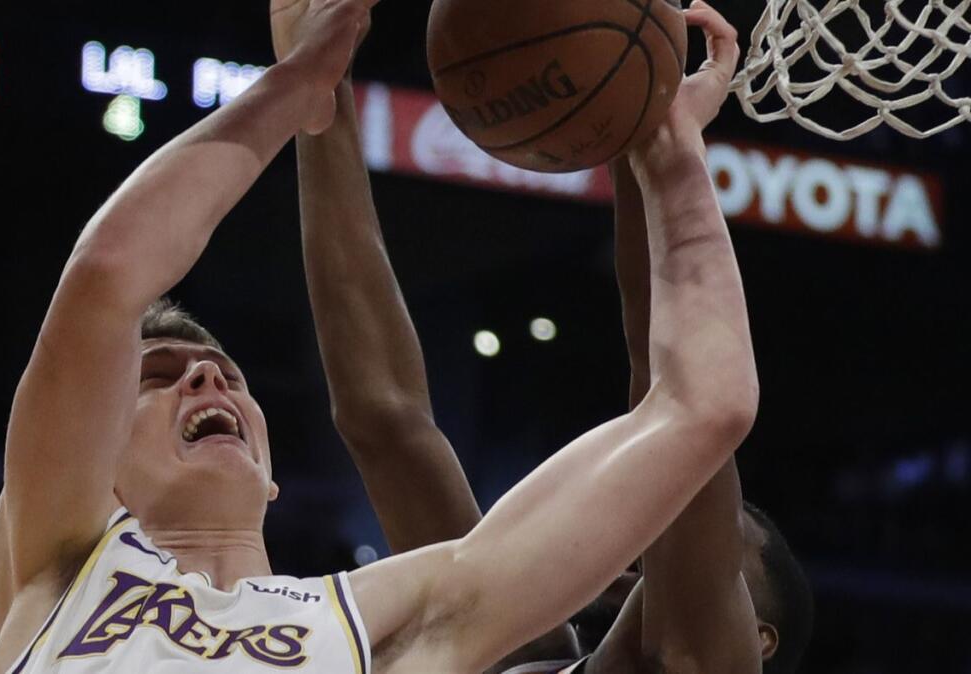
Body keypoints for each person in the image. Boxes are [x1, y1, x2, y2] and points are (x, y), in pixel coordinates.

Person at [0, 0, 760, 671]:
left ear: (272, 471)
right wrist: (298, 85)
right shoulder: (60, 571)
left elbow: (703, 406)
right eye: (157, 377)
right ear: (85, 459)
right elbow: (108, 275)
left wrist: (669, 150)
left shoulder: (379, 625)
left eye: (228, 376)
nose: (208, 382)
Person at [292, 1, 810, 672]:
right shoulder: (511, 649)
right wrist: (315, 84)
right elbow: (383, 418)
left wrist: (663, 138)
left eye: (711, 532)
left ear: (758, 639)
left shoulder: (709, 659)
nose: (656, 517)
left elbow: (681, 403)